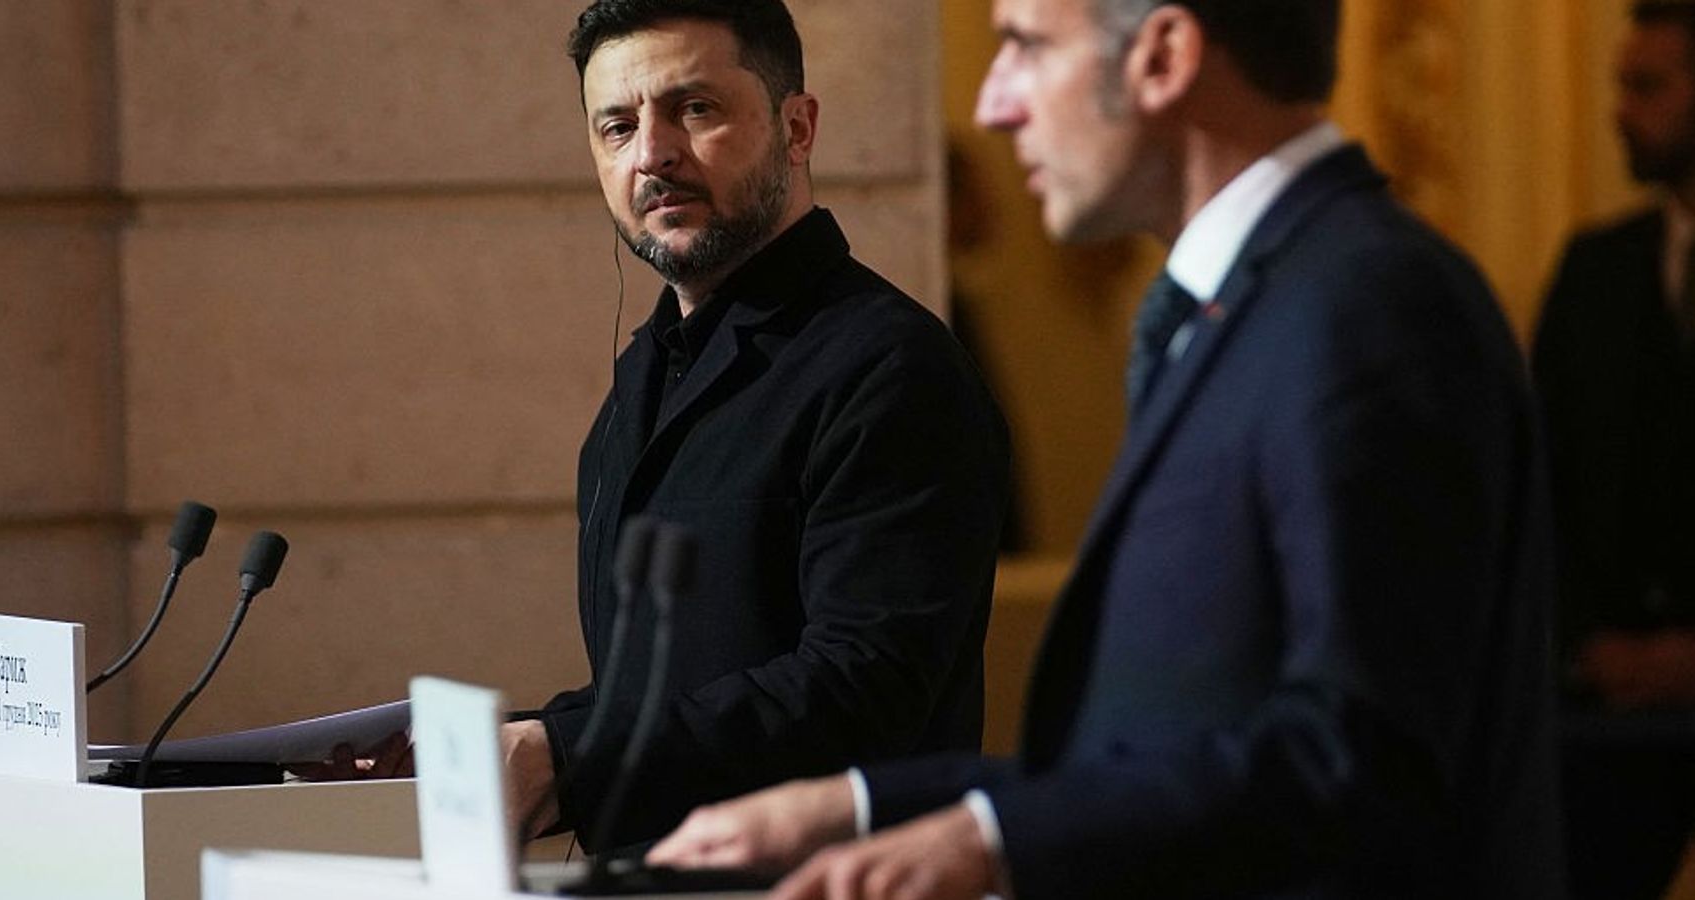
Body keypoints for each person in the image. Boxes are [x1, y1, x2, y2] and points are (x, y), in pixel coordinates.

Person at [644, 0, 1564, 897]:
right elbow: (1161, 746)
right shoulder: (1241, 305)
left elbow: (1361, 754)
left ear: (1162, 57)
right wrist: (855, 805)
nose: (995, 104)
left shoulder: (1368, 306)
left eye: (1027, 46)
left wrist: (989, 842)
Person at [498, 0, 1011, 851]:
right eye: (617, 127)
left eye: (694, 109)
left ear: (797, 126)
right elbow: (662, 687)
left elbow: (863, 689)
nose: (653, 154)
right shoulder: (647, 370)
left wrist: (567, 756)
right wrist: (498, 752)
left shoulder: (891, 367)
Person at [1531, 3, 1695, 897]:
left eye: (1647, 86)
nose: (1620, 108)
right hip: (1601, 727)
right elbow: (1542, 483)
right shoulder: (1594, 273)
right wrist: (1585, 649)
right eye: (1617, 84)